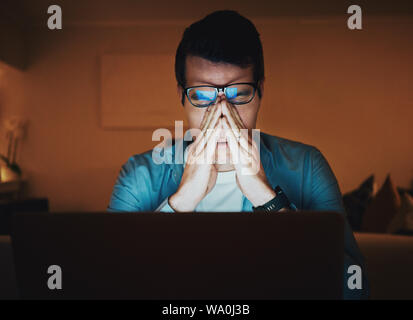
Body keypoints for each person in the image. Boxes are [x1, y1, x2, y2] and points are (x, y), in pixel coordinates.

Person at [107, 10, 369, 299]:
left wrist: (268, 200)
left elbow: (354, 291)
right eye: (203, 95)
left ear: (260, 91)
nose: (221, 111)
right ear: (182, 95)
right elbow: (111, 285)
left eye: (238, 93)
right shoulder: (138, 175)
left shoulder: (308, 166)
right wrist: (180, 204)